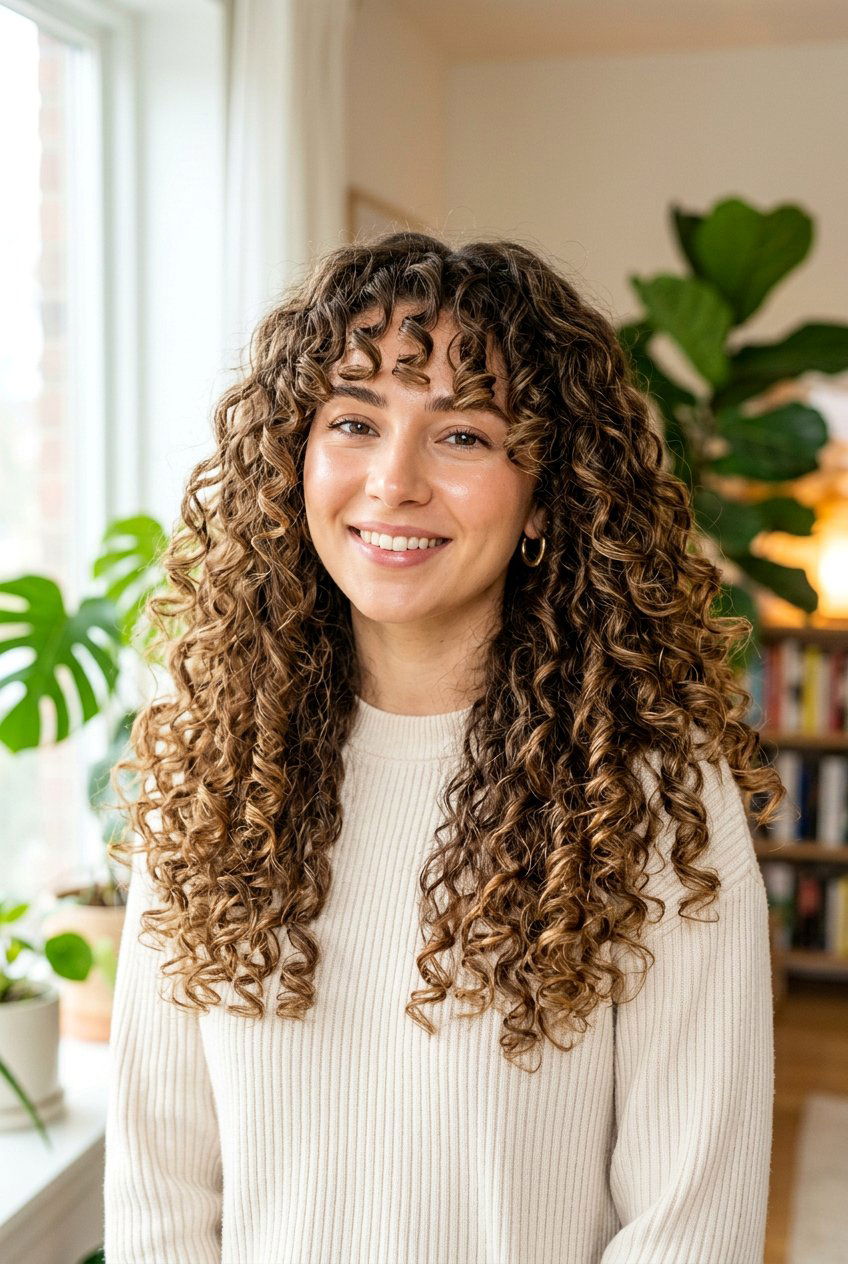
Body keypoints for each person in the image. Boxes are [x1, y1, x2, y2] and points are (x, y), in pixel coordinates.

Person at [103, 231, 780, 1264]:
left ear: (546, 492)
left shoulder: (650, 792)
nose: (394, 481)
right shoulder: (210, 766)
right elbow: (159, 1190)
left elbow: (691, 1221)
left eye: (461, 434)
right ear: (291, 461)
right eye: (353, 421)